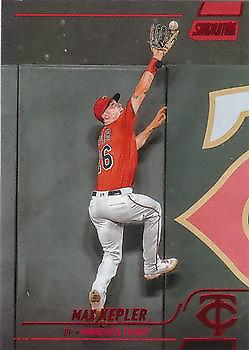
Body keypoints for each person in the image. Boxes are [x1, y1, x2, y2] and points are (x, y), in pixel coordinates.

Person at [88, 31, 179, 317]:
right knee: (155, 211)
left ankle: (98, 293)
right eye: (112, 106)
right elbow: (139, 93)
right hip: (117, 201)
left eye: (115, 104)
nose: (117, 105)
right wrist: (155, 60)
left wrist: (151, 126)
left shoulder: (107, 136)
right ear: (106, 116)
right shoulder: (120, 122)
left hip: (96, 206)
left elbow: (133, 146)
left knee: (111, 255)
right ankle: (152, 266)